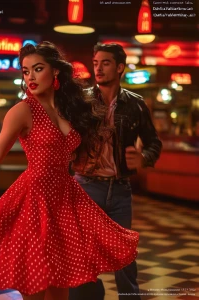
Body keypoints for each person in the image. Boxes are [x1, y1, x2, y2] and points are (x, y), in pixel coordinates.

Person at [0, 41, 139, 300]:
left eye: (37, 69)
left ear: (55, 72)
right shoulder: (23, 110)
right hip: (35, 202)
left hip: (66, 200)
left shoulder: (69, 109)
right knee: (36, 287)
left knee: (61, 287)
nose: (29, 77)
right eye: (25, 71)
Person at [70, 43, 162, 300]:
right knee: (84, 257)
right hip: (86, 186)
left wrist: (143, 157)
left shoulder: (135, 104)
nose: (98, 68)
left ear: (120, 67)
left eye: (105, 63)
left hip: (120, 189)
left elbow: (154, 142)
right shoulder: (82, 102)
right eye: (95, 62)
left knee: (125, 259)